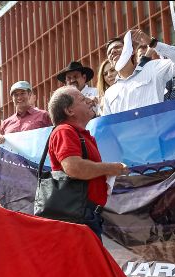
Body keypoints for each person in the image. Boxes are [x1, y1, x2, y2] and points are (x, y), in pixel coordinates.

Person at [45, 87, 129, 238]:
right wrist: (111, 168)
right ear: (69, 111)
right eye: (83, 99)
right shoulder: (64, 131)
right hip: (79, 216)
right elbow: (74, 168)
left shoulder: (77, 133)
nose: (90, 101)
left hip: (84, 214)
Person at [102, 30, 175, 115]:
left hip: (155, 132)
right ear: (111, 62)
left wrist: (153, 43)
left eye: (117, 47)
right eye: (109, 52)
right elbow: (108, 128)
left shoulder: (153, 68)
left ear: (131, 51)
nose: (113, 51)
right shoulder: (109, 94)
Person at [0, 81, 52, 145]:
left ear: (29, 94)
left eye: (22, 93)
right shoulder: (5, 124)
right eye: (16, 95)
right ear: (12, 98)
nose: (19, 98)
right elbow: (0, 151)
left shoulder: (44, 116)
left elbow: (54, 138)